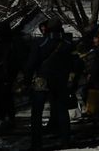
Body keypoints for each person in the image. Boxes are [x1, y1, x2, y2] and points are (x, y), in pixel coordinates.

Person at [24, 17, 75, 149]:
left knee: (37, 113)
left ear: (47, 29)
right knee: (62, 110)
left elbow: (30, 64)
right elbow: (72, 62)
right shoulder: (68, 43)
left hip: (42, 79)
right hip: (60, 80)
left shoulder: (40, 42)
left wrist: (26, 81)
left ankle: (36, 143)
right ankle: (66, 140)